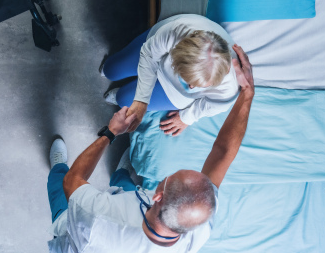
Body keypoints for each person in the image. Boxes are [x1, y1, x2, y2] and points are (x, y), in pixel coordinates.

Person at [47, 45, 254, 252]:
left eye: (171, 177)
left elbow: (72, 181)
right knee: (123, 184)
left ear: (158, 196)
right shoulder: (197, 219)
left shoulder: (97, 220)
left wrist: (110, 133)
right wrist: (247, 93)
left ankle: (57, 166)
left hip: (76, 233)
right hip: (135, 205)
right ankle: (120, 173)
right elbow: (222, 152)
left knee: (60, 186)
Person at [101, 14, 239, 136]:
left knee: (122, 100)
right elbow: (149, 56)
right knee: (110, 70)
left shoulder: (230, 87)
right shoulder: (177, 31)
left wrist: (186, 119)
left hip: (175, 93)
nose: (191, 87)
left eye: (198, 85)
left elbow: (213, 105)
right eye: (188, 80)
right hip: (157, 57)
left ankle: (122, 94)